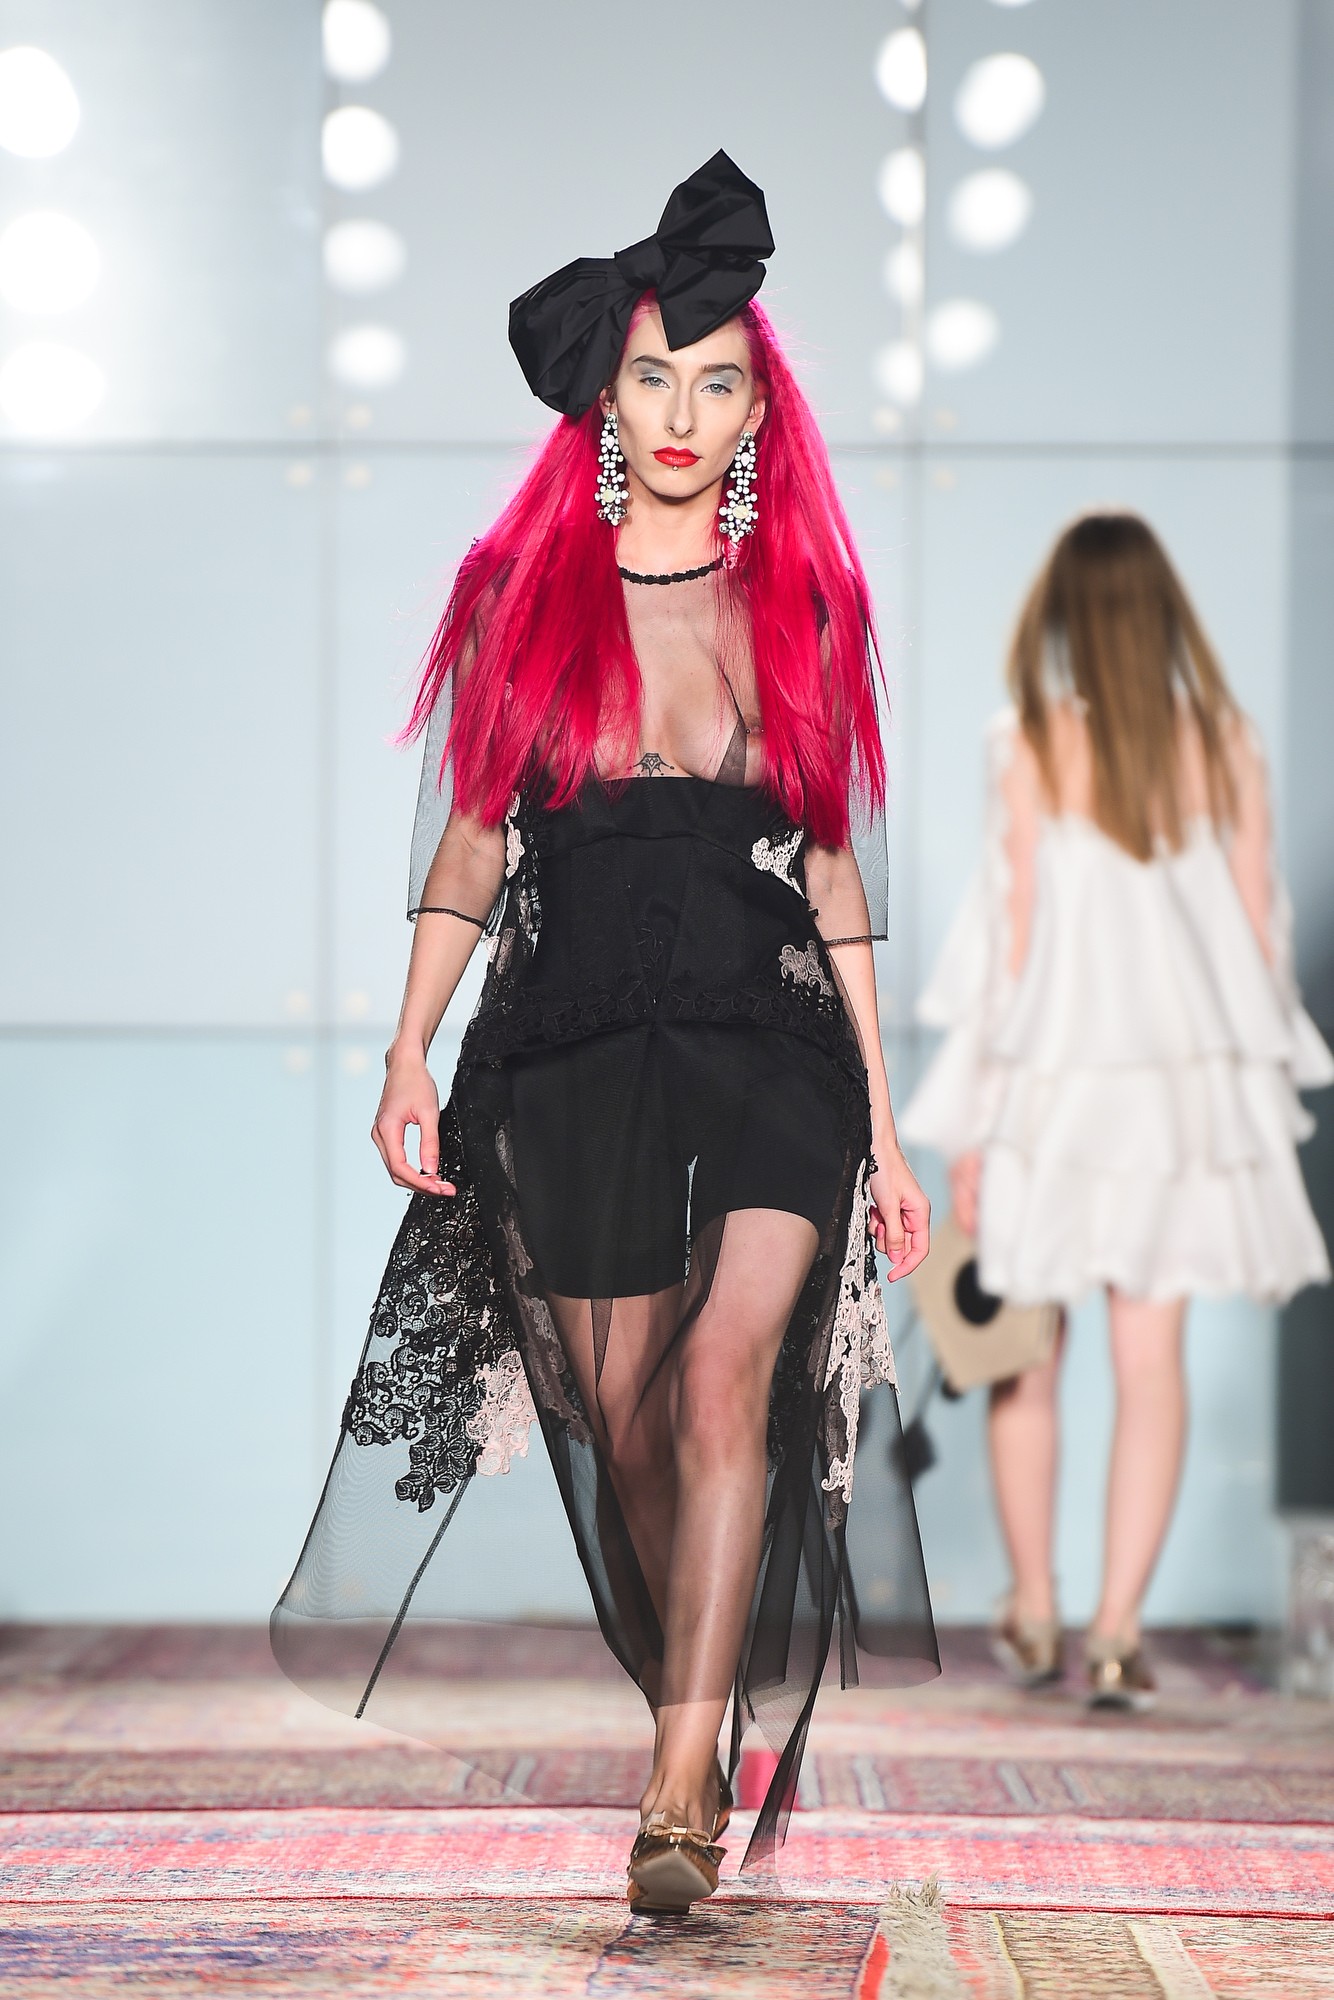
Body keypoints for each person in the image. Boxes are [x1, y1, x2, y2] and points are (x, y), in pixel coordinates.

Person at [272, 153, 937, 1913]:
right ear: (606, 396)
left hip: (768, 1032)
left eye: (715, 384)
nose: (682, 413)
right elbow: (470, 849)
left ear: (755, 416)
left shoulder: (801, 604)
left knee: (724, 1378)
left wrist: (883, 1121)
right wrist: (406, 1049)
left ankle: (671, 1792)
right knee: (626, 1414)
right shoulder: (518, 593)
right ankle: (692, 1716)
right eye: (653, 375)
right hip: (565, 1032)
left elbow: (836, 879)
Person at [900, 512, 1332, 1708]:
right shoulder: (1227, 743)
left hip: (1050, 1093)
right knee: (1152, 1362)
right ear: (1161, 612)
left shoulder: (1027, 741)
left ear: (1060, 617)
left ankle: (1034, 1605)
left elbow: (1006, 946)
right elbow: (1260, 942)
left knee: (1021, 1356)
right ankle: (1116, 1629)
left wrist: (972, 1125)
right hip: (1175, 1102)